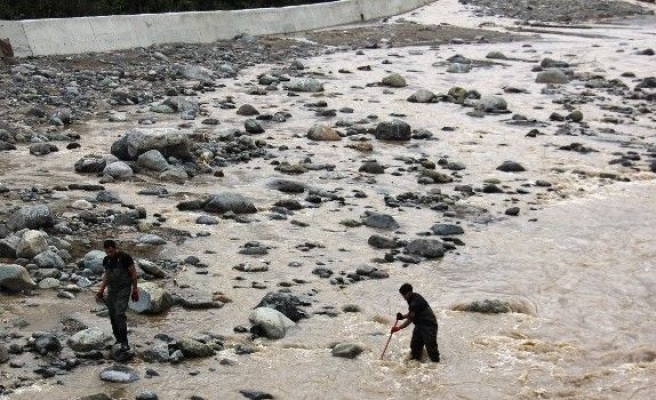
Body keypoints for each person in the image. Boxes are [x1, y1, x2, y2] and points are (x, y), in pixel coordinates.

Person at [95, 239, 139, 353]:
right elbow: (106, 276)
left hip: (124, 289)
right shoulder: (106, 260)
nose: (110, 254)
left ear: (115, 248)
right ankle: (118, 339)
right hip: (112, 290)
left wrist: (135, 290)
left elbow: (134, 274)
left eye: (111, 251)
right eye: (107, 252)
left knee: (119, 314)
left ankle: (124, 342)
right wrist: (101, 290)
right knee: (113, 315)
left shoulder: (125, 258)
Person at [392, 283, 440, 362]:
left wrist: (398, 328)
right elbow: (412, 313)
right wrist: (402, 317)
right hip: (420, 325)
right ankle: (416, 366)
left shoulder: (415, 302)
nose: (403, 297)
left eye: (404, 295)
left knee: (431, 349)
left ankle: (436, 367)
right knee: (415, 347)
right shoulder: (412, 298)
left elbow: (410, 319)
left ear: (409, 293)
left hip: (429, 326)